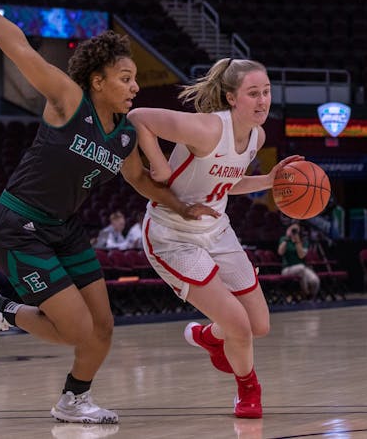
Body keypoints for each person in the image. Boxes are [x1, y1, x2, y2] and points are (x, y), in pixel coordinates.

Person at [0, 0, 218, 424]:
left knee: (102, 328)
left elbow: (139, 180)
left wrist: (182, 206)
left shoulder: (126, 134)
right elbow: (16, 45)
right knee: (75, 329)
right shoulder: (68, 99)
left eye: (135, 78)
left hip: (64, 229)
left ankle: (73, 401)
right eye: (125, 78)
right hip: (20, 224)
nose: (134, 85)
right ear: (98, 81)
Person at [127, 58, 302, 419]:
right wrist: (159, 166)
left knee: (259, 325)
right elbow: (138, 117)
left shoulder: (257, 135)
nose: (262, 101)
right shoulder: (206, 129)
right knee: (239, 325)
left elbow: (228, 180)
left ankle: (209, 336)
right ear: (231, 98)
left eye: (266, 92)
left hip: (217, 229)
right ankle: (248, 389)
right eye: (253, 93)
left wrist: (268, 181)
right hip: (171, 234)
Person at [277, 222, 320, 299]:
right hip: (287, 269)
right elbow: (280, 252)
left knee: (315, 280)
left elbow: (301, 255)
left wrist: (297, 241)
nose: (294, 232)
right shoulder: (284, 239)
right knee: (301, 268)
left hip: (302, 268)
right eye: (292, 229)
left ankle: (312, 297)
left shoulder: (303, 241)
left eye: (296, 230)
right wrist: (287, 238)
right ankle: (306, 294)